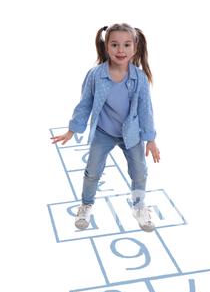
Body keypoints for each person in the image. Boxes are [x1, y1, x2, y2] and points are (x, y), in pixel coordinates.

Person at [51, 23, 160, 232]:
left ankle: (139, 207)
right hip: (104, 132)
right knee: (92, 171)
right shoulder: (95, 75)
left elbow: (146, 110)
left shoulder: (140, 79)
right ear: (106, 47)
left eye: (127, 45)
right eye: (115, 45)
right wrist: (72, 129)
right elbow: (84, 104)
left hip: (131, 134)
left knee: (139, 172)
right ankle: (86, 204)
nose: (121, 50)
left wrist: (151, 139)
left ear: (135, 47)